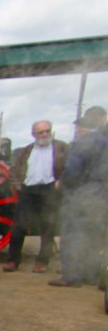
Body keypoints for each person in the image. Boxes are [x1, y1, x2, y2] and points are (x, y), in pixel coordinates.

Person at [49, 106, 108, 288]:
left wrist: (62, 184)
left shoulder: (82, 143)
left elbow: (73, 171)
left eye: (77, 128)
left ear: (82, 128)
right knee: (94, 235)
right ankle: (90, 275)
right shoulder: (105, 142)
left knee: (73, 234)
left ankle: (71, 276)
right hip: (102, 193)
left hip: (83, 192)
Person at [3, 120, 68, 273]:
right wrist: (19, 186)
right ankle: (12, 260)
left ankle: (42, 262)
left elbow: (70, 168)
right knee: (18, 226)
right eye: (41, 132)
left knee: (48, 226)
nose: (45, 134)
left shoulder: (62, 148)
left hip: (49, 189)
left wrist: (61, 182)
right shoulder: (26, 150)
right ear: (34, 134)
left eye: (47, 131)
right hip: (28, 190)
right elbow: (13, 170)